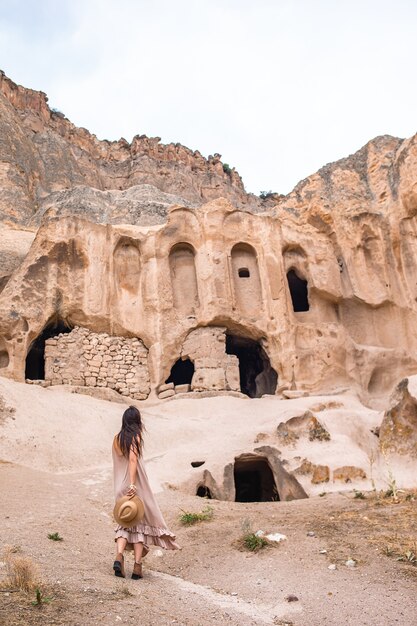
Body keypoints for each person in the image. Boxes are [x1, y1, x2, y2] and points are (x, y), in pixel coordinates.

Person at [112, 405, 179, 579]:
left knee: (125, 523)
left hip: (120, 487)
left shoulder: (116, 439)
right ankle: (137, 566)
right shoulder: (136, 436)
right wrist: (133, 484)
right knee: (139, 525)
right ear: (137, 421)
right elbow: (133, 460)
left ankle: (119, 556)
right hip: (134, 485)